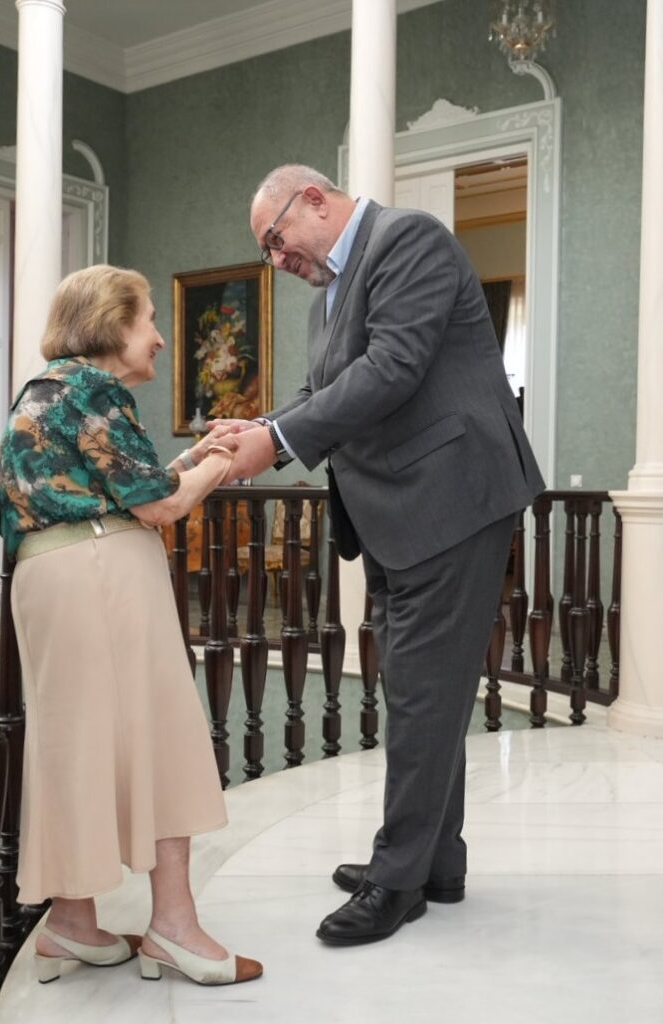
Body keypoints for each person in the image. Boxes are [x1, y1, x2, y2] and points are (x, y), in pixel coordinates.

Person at [217, 164, 545, 946]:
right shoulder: (329, 292)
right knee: (419, 686)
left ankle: (397, 881)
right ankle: (438, 860)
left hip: (452, 499)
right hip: (399, 512)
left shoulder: (409, 241)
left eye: (276, 240)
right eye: (268, 252)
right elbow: (316, 390)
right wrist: (255, 426)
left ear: (316, 201)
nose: (277, 260)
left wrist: (279, 443)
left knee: (423, 692)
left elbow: (391, 369)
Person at [0, 264, 262, 986]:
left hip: (51, 574)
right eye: (150, 320)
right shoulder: (94, 389)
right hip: (99, 573)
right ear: (113, 326)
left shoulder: (50, 390)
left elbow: (124, 486)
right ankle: (172, 924)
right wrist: (226, 461)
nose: (162, 339)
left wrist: (192, 460)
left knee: (71, 742)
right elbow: (161, 508)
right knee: (161, 730)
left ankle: (71, 921)